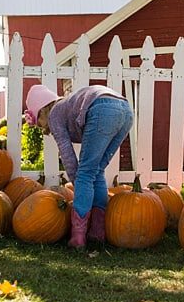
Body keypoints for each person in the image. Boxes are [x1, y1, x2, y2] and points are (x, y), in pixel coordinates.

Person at [24, 83, 134, 250]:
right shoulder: (65, 107)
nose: (41, 127)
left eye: (38, 122)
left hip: (101, 108)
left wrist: (79, 182)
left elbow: (67, 154)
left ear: (42, 110)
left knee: (85, 174)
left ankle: (78, 238)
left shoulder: (54, 114)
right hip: (125, 111)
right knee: (96, 171)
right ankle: (97, 232)